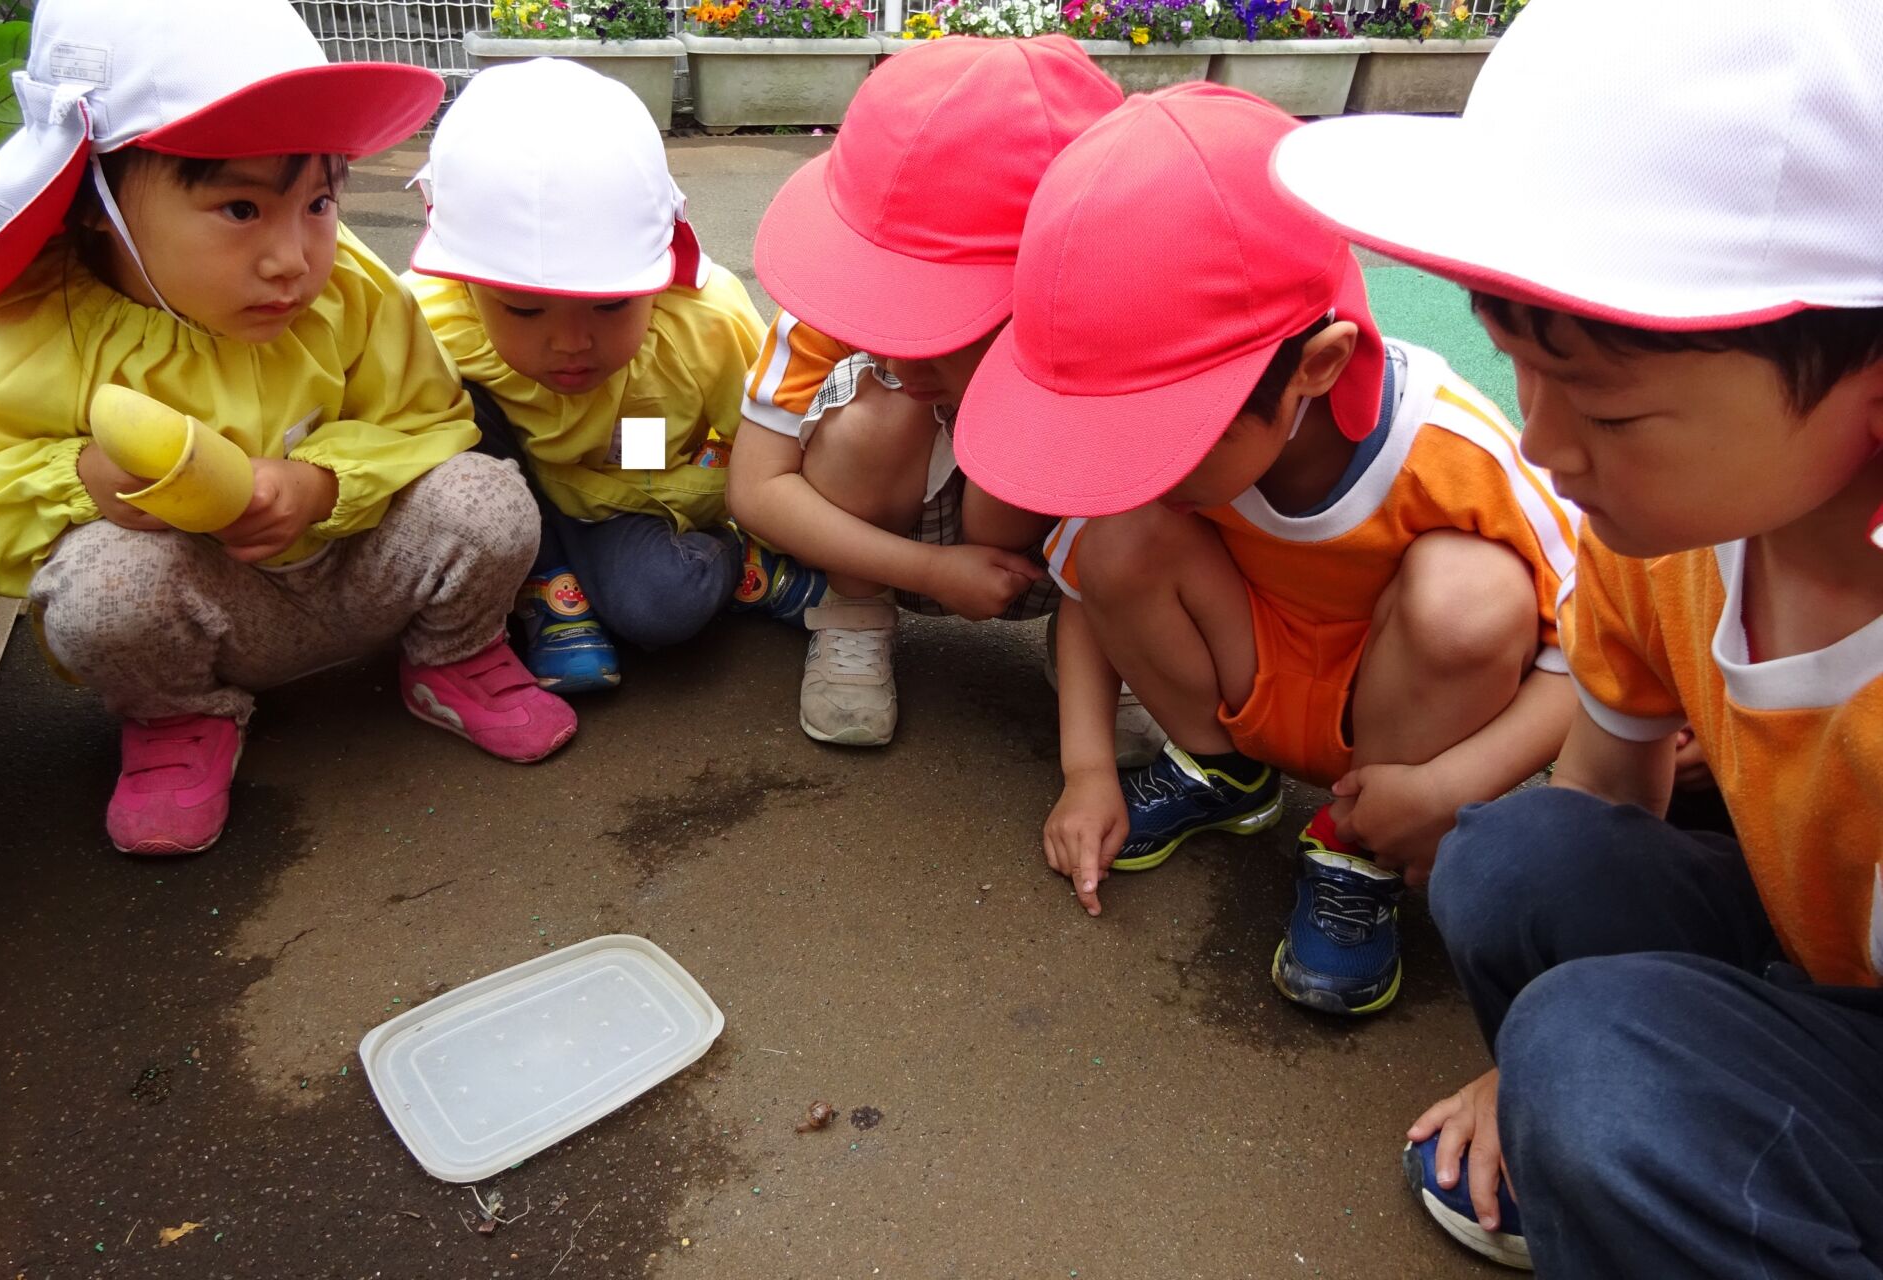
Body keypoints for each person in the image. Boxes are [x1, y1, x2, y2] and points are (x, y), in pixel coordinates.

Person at [1271, 0, 1883, 1270]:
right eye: (1519, 370)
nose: (1541, 445)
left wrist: (1598, 1066)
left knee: (1602, 1075)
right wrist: (1536, 1059)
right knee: (1510, 854)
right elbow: (1605, 790)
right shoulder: (1664, 538)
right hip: (1820, 956)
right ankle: (1660, 1132)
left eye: (1608, 407)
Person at [954, 85, 1579, 1021]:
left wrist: (1445, 790)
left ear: (1319, 368)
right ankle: (1222, 772)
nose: (1141, 460)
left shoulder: (1457, 449)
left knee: (1472, 594)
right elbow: (1091, 584)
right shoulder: (1201, 449)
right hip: (1248, 676)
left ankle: (1353, 850)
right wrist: (1087, 768)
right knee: (1118, 531)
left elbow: (1594, 661)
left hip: (1402, 727)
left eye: (1169, 432)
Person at [0, 0, 575, 855]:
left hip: (361, 576)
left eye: (318, 203)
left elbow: (428, 419)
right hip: (207, 613)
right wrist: (78, 479)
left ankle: (454, 656)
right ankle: (178, 719)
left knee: (488, 500)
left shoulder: (352, 291)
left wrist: (324, 480)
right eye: (241, 211)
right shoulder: (34, 328)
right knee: (100, 591)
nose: (293, 258)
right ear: (96, 197)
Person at [728, 36, 1136, 749]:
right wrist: (929, 570)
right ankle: (853, 614)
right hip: (883, 542)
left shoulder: (1114, 322)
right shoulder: (829, 304)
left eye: (942, 321)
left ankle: (1105, 651)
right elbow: (756, 488)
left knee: (1078, 445)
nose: (897, 347)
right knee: (875, 406)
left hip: (1043, 560)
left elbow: (1145, 518)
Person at [406, 59, 808, 694]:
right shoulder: (427, 322)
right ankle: (550, 581)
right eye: (524, 308)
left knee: (661, 606)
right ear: (462, 281)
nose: (571, 343)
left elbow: (767, 453)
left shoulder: (704, 323)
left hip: (634, 490)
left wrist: (762, 524)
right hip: (510, 502)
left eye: (611, 302)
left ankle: (741, 561)